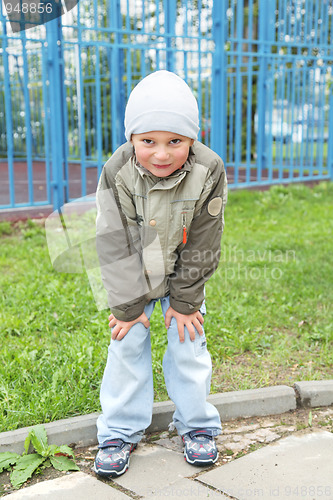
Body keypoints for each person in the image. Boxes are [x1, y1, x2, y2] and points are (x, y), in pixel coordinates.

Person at [94, 70, 227, 478]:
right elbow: (112, 239)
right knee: (126, 346)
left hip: (182, 277)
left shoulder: (209, 169)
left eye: (176, 141)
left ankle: (198, 426)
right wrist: (128, 307)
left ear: (193, 139)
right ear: (132, 138)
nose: (162, 153)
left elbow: (205, 239)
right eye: (148, 141)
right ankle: (118, 431)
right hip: (132, 277)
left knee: (189, 345)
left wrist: (186, 302)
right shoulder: (117, 170)